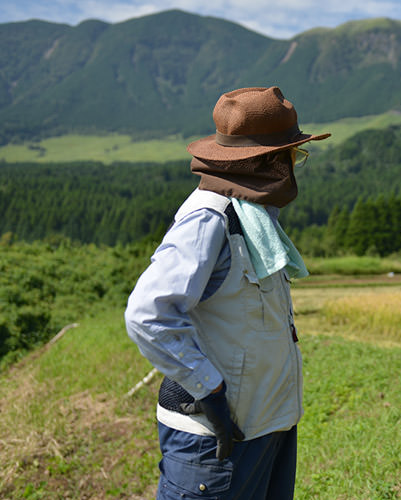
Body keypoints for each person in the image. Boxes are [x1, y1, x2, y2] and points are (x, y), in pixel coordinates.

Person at [125, 86, 330, 499]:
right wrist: (210, 390)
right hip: (216, 440)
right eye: (294, 153)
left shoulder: (250, 215)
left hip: (264, 426)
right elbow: (148, 315)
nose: (295, 164)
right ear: (269, 160)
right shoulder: (208, 219)